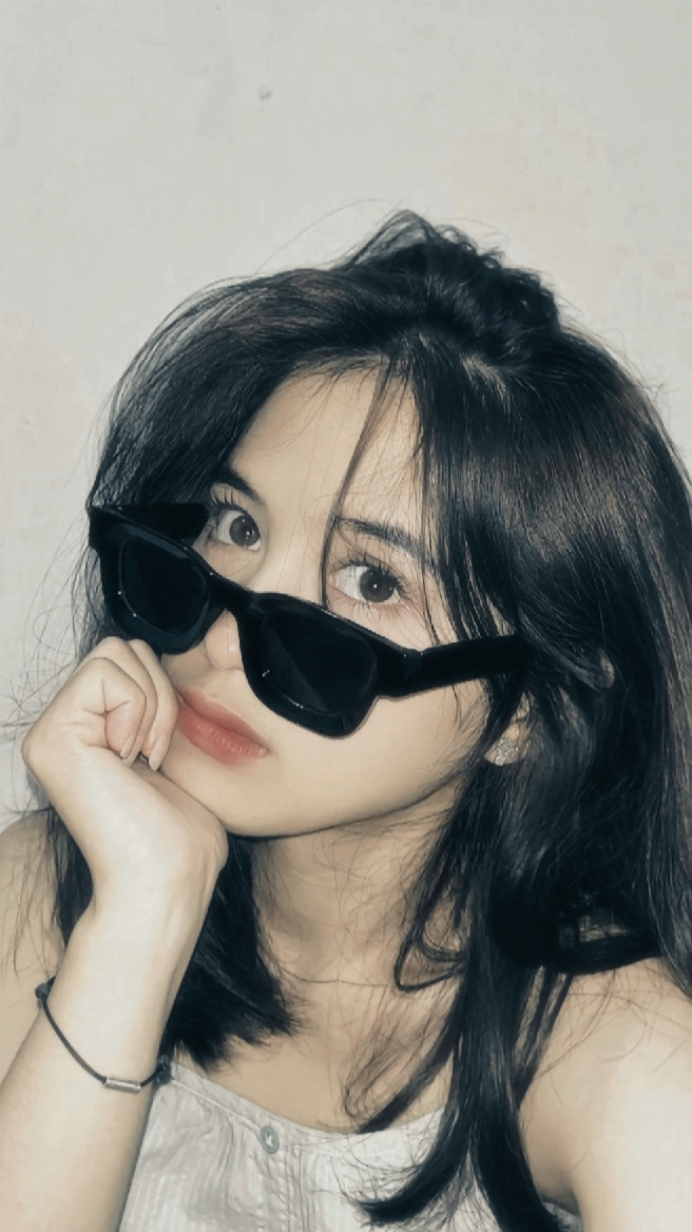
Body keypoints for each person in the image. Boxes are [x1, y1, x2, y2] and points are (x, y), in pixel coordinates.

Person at [1, 213, 691, 1232]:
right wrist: (141, 915)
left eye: (371, 580)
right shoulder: (45, 892)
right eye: (237, 524)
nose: (224, 636)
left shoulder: (629, 1055)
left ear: (531, 710)